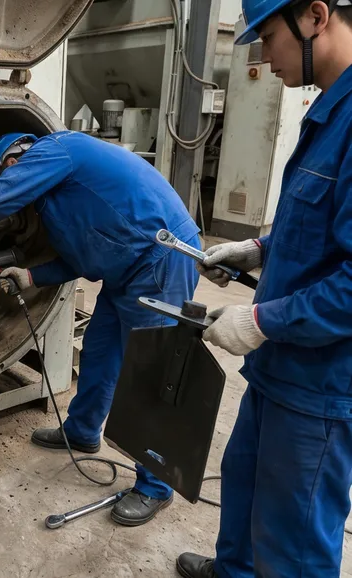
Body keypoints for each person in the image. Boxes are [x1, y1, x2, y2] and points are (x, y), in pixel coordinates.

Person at [0, 130, 200, 526]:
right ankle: (82, 431)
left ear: (12, 162)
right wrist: (31, 275)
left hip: (162, 259)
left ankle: (155, 487)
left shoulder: (57, 149)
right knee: (99, 352)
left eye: (8, 176)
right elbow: (84, 254)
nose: (13, 186)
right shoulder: (57, 199)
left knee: (150, 373)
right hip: (124, 269)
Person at [175, 1, 352, 577]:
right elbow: (316, 229)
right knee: (246, 486)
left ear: (316, 16)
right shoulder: (329, 111)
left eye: (268, 37)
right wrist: (258, 250)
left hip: (319, 385)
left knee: (293, 542)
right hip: (280, 370)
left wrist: (260, 321)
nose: (263, 57)